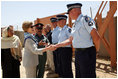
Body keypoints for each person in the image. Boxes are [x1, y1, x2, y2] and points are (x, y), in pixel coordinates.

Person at [51, 3, 100, 78]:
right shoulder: (75, 24)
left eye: (69, 13)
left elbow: (96, 37)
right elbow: (70, 39)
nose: (69, 15)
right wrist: (56, 45)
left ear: (74, 11)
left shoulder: (85, 19)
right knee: (79, 75)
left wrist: (96, 51)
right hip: (78, 53)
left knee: (87, 75)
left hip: (87, 52)